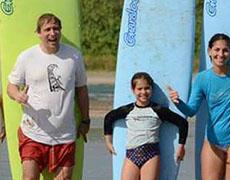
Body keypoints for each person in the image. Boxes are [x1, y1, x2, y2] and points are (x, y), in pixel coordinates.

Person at [7, 13, 90, 180]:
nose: (52, 33)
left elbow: (81, 90)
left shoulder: (74, 56)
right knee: (29, 178)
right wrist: (17, 96)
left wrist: (86, 119)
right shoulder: (27, 57)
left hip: (65, 134)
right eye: (47, 29)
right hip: (33, 132)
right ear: (39, 33)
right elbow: (11, 86)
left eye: (56, 29)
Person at [168, 33, 230, 179]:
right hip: (213, 140)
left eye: (225, 50)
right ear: (209, 51)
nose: (221, 54)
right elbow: (191, 110)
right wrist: (178, 103)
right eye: (217, 50)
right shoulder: (202, 79)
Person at [104, 72, 188, 180]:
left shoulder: (158, 110)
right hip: (131, 154)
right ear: (133, 90)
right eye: (139, 89)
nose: (143, 92)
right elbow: (109, 118)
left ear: (152, 89)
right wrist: (108, 142)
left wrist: (181, 147)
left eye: (147, 88)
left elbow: (182, 123)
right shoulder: (128, 110)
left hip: (151, 154)